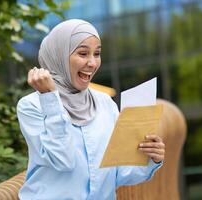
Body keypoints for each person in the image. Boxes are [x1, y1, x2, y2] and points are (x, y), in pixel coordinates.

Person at [17, 19, 165, 200]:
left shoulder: (105, 103)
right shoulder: (31, 106)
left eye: (97, 54)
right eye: (83, 53)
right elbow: (63, 160)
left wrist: (151, 158)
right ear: (60, 55)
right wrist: (50, 98)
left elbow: (117, 173)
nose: (92, 63)